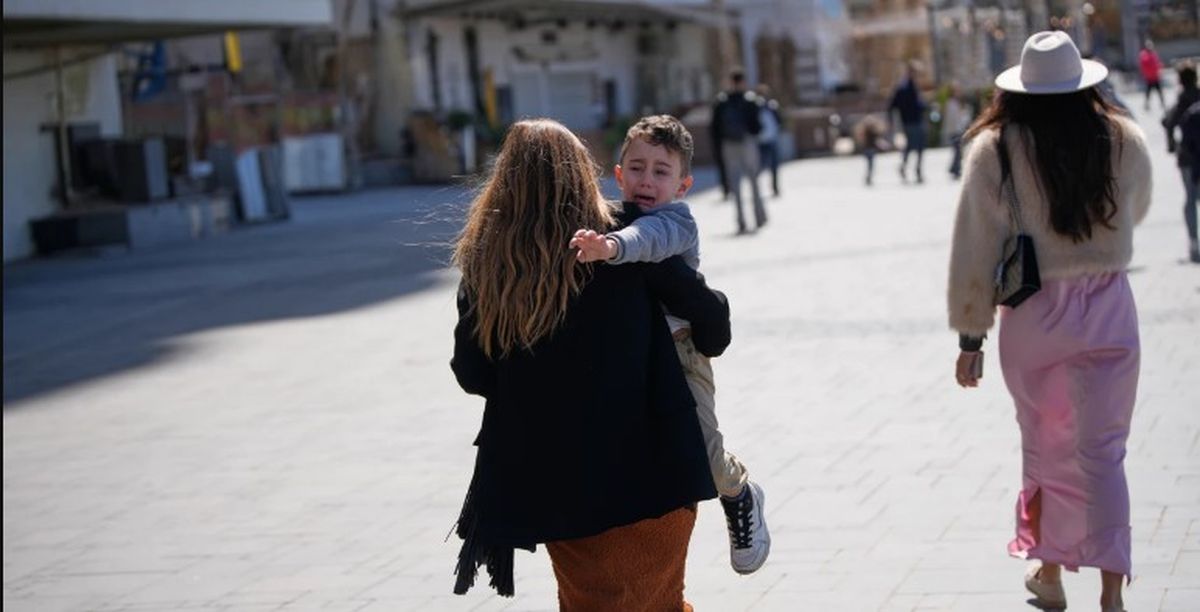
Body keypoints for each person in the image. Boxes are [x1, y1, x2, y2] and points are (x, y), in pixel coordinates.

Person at [450, 118, 731, 608]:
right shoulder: (621, 241)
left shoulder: (487, 262)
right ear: (585, 171)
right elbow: (714, 325)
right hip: (651, 472)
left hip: (558, 487)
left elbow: (472, 373)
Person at [948, 32, 1152, 612]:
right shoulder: (1122, 138)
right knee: (1104, 452)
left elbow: (975, 249)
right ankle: (1112, 593)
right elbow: (1135, 211)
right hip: (1109, 307)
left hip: (1035, 315)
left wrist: (970, 340)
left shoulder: (995, 150)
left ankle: (1052, 573)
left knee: (1046, 446)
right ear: (1083, 83)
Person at [569, 114, 771, 575]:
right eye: (636, 167)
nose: (646, 179)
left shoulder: (674, 221)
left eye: (662, 172)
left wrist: (611, 248)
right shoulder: (608, 218)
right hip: (636, 356)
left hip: (683, 353)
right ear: (618, 175)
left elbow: (647, 239)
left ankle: (740, 494)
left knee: (704, 452)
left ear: (683, 185)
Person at [711, 67, 767, 234]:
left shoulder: (721, 101)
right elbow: (757, 125)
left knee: (735, 185)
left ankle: (741, 220)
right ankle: (759, 217)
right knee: (754, 181)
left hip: (728, 145)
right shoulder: (750, 99)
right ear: (743, 82)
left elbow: (714, 128)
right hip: (747, 143)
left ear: (730, 82)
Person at [1162, 61, 1200, 262]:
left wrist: (1172, 145)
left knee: (1191, 199)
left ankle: (1194, 242)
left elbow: (1167, 122)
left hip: (1187, 157)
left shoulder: (1181, 101)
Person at [889, 60, 929, 183]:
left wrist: (923, 106)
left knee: (919, 146)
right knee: (912, 146)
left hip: (917, 119)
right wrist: (892, 121)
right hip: (909, 121)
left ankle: (916, 170)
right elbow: (893, 105)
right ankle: (906, 168)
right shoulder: (903, 87)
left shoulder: (913, 86)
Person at [755, 84, 783, 197]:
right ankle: (756, 189)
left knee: (774, 166)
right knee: (759, 167)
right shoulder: (755, 107)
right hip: (760, 140)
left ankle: (775, 187)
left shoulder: (773, 106)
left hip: (772, 139)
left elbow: (779, 120)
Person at [942, 83, 972, 180]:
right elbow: (953, 119)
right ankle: (954, 169)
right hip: (954, 131)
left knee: (958, 151)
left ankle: (954, 169)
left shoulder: (957, 103)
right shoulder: (951, 103)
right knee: (957, 151)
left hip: (958, 130)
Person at [854, 113, 889, 186]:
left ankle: (869, 177)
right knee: (871, 164)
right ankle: (869, 177)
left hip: (868, 150)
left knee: (870, 164)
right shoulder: (871, 132)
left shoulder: (865, 132)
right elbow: (877, 139)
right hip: (870, 150)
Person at [1139, 39, 1166, 111]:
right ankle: (1147, 104)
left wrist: (1159, 68)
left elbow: (1157, 63)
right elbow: (1144, 65)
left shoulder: (1153, 54)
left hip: (1155, 77)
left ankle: (1162, 102)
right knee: (1148, 92)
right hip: (1149, 77)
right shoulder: (1144, 55)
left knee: (1159, 91)